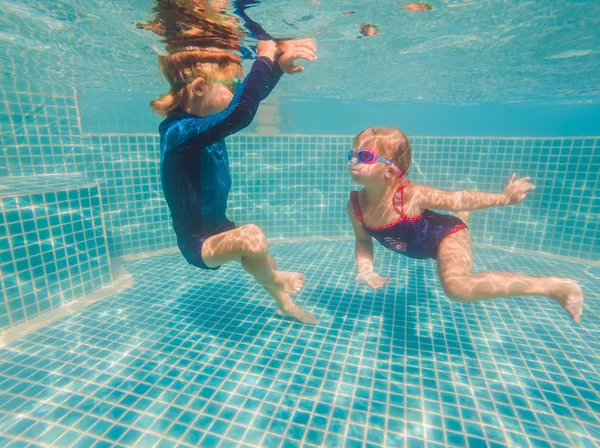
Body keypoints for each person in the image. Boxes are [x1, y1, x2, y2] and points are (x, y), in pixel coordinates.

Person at [151, 31, 318, 324]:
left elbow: (248, 97)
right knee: (252, 238)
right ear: (200, 88)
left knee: (259, 256)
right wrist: (265, 55)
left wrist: (278, 65)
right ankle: (277, 280)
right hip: (198, 242)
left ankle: (284, 305)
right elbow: (240, 112)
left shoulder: (203, 124)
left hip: (220, 226)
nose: (235, 90)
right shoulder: (179, 133)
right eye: (229, 85)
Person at [346, 127, 584, 323]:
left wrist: (504, 198)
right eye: (352, 155)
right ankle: (463, 216)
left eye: (365, 156)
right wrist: (366, 269)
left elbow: (458, 198)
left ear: (390, 170)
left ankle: (555, 287)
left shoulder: (411, 196)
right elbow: (363, 240)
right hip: (421, 243)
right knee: (458, 219)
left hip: (447, 235)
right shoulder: (356, 205)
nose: (354, 161)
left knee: (456, 288)